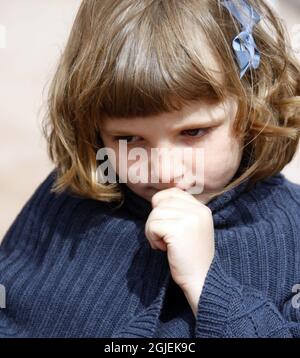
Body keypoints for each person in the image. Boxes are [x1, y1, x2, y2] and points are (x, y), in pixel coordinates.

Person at [0, 0, 300, 338]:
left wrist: (208, 286)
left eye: (193, 132)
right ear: (92, 129)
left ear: (252, 106)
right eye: (128, 138)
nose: (164, 170)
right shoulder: (70, 204)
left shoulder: (291, 227)